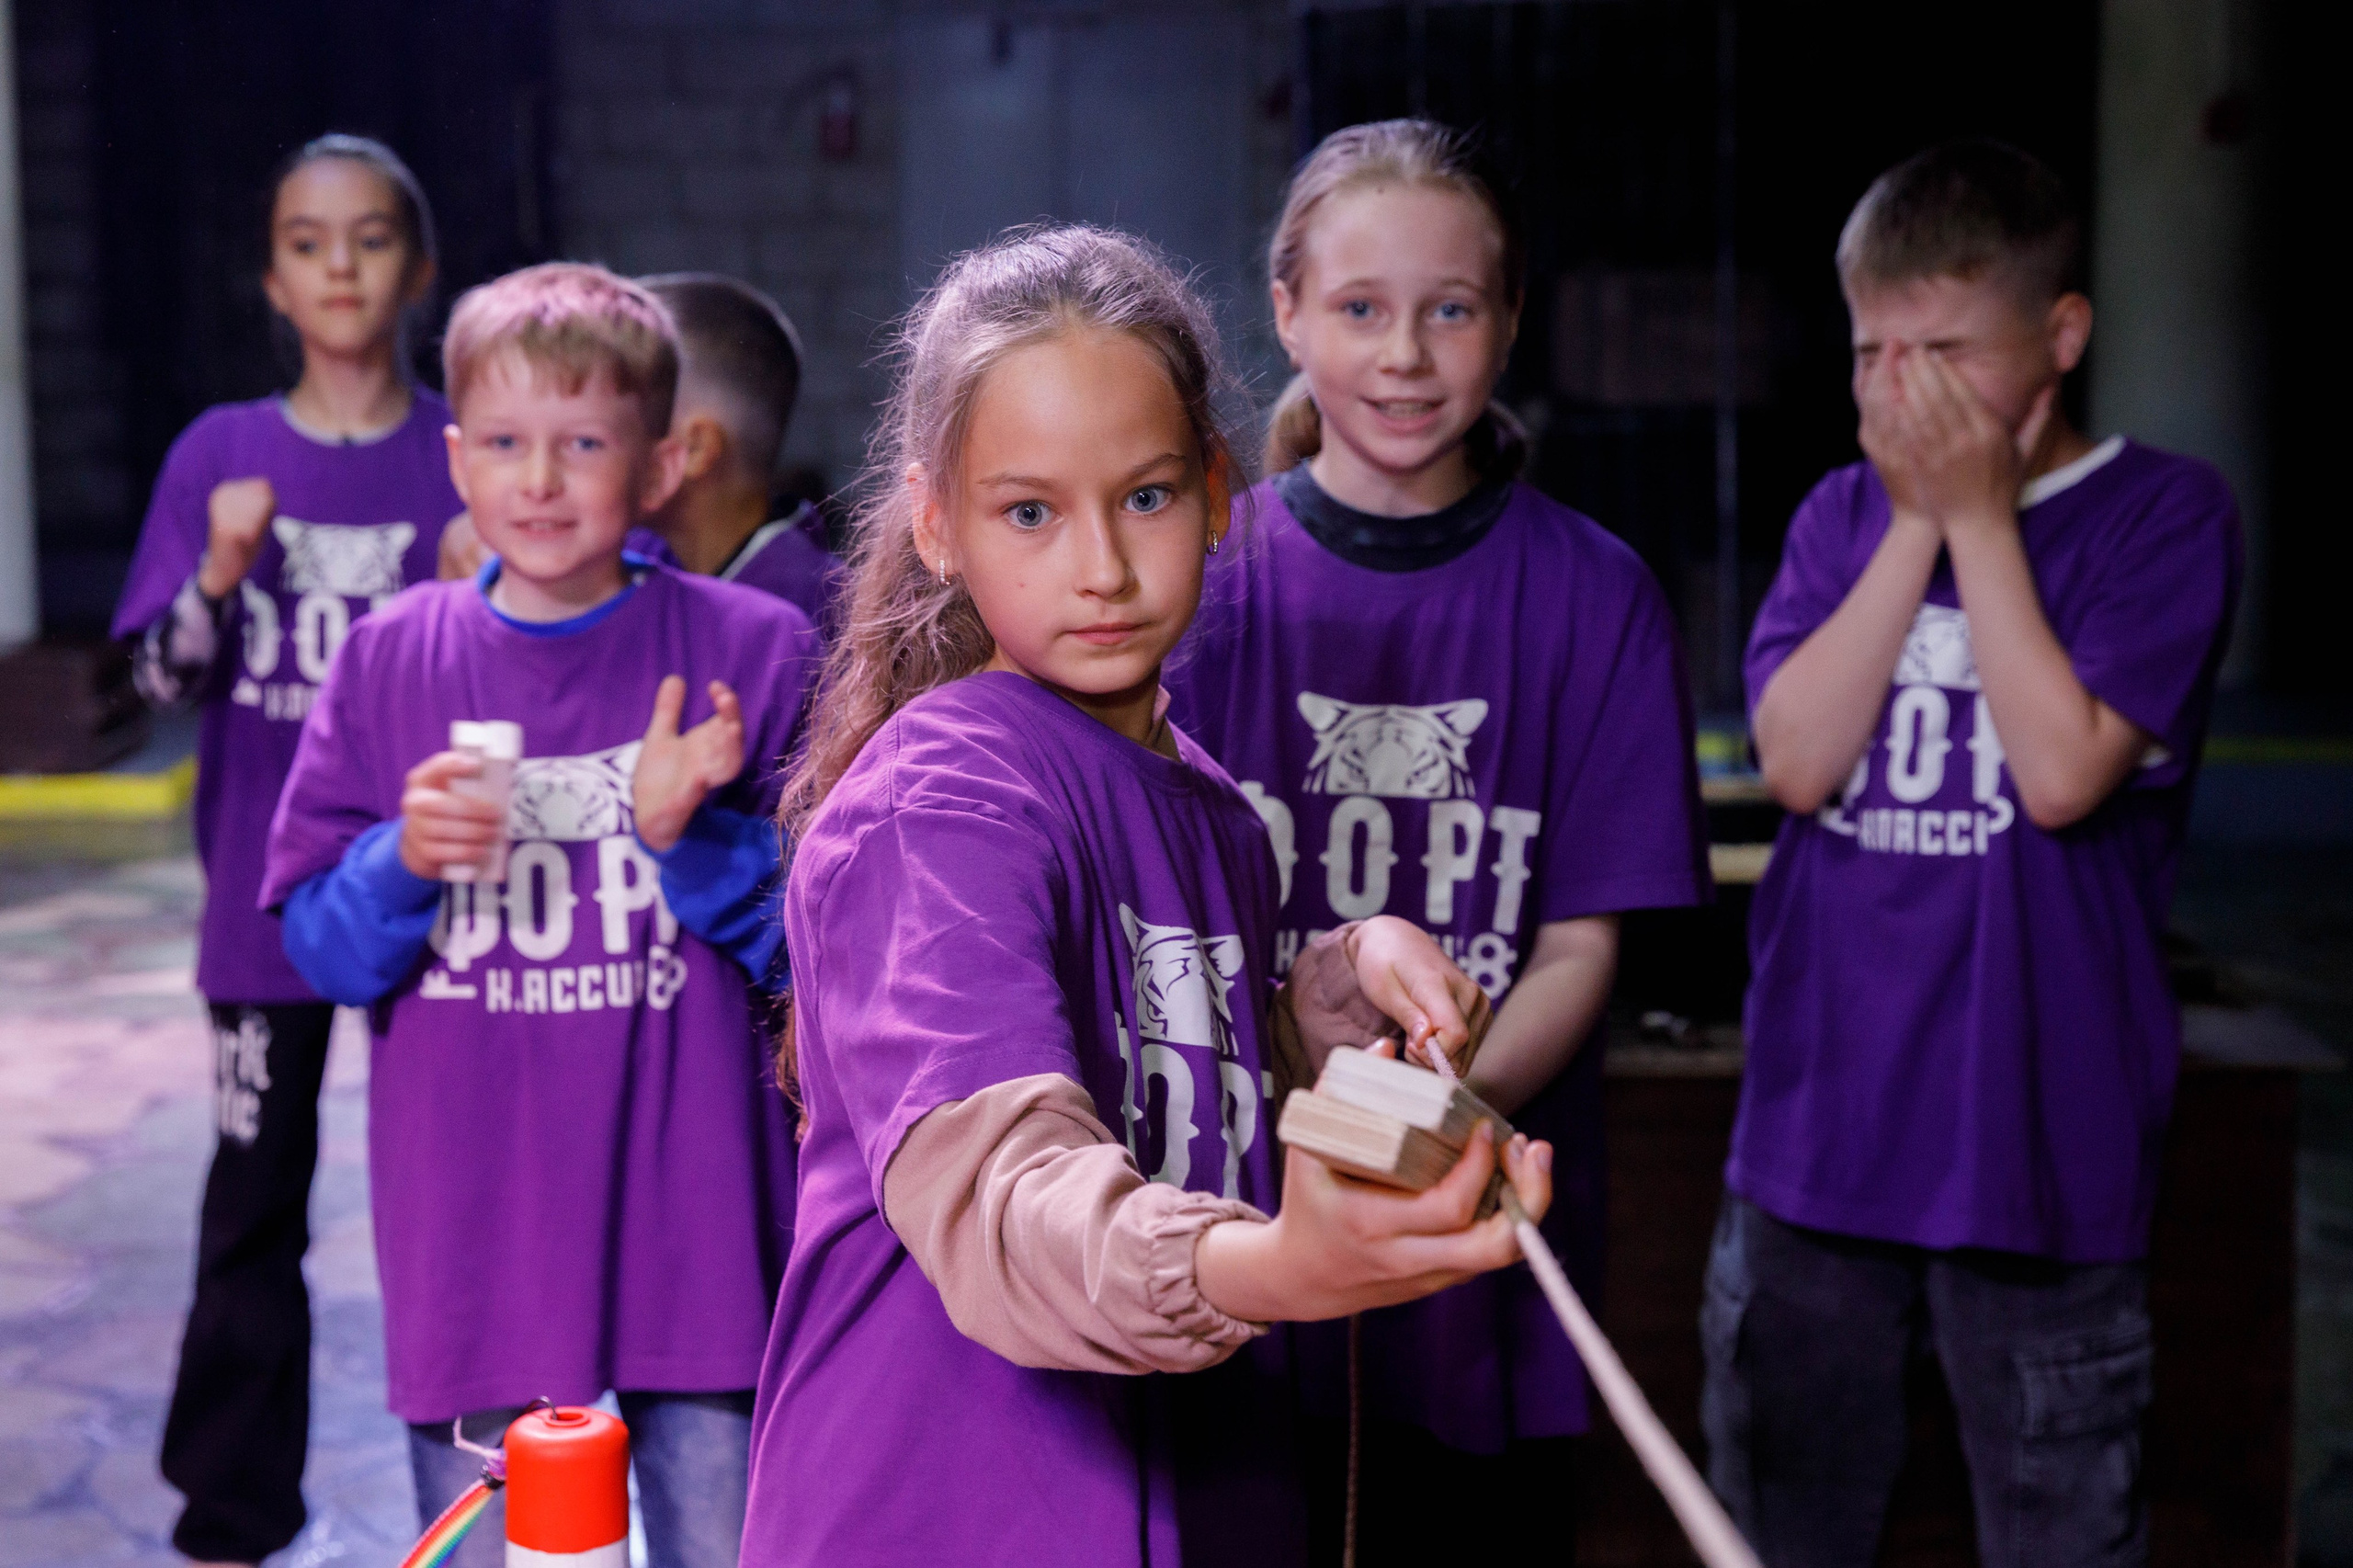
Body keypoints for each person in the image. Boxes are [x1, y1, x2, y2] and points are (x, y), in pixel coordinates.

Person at [737, 223, 1553, 1568]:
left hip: (1196, 1488)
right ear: (937, 524)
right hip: (949, 1512)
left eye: (1149, 496)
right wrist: (1277, 1267)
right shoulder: (942, 799)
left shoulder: (1213, 810)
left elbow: (1177, 1053)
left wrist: (1335, 989)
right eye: (1029, 511)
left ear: (1222, 490)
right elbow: (1015, 1191)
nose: (1101, 566)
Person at [1165, 119, 1712, 1561]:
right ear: (1285, 312)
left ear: (1510, 320)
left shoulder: (1596, 596)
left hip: (1486, 1220)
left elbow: (1586, 939)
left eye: (1450, 308)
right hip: (1245, 1213)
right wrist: (1316, 1107)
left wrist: (1435, 1120)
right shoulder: (1202, 582)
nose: (1405, 353)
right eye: (1360, 308)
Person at [1705, 140, 2243, 1568]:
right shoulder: (1838, 516)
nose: (1904, 390)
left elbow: (2065, 773)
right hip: (1819, 1137)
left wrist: (1980, 523)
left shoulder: (2166, 516)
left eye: (1945, 349)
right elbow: (1800, 761)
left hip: (2042, 1144)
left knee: (2059, 1528)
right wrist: (1912, 526)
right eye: (1876, 349)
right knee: (1785, 1515)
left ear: (2060, 338)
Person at [258, 263, 820, 1568]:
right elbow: (320, 946)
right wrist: (405, 857)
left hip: (705, 1241)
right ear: (456, 459)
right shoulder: (389, 657)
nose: (543, 479)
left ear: (664, 460)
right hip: (479, 1241)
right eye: (506, 443)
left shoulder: (756, 649)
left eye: (583, 443)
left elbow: (826, 948)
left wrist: (697, 844)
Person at [107, 132, 460, 1568]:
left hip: (441, 910)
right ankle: (232, 1515)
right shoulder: (219, 456)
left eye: (369, 238)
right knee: (254, 1206)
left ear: (416, 267)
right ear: (273, 275)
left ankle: (486, 1490)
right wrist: (215, 577)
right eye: (309, 242)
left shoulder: (464, 457)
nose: (340, 266)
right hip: (266, 915)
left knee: (459, 1200)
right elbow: (150, 685)